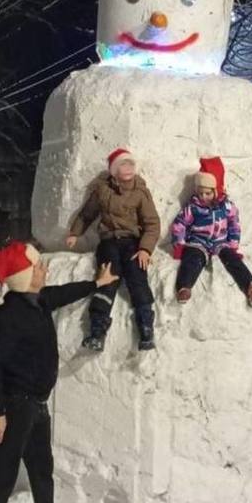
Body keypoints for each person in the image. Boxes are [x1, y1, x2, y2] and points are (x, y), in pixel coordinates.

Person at [0, 240, 119, 503]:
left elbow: (62, 292)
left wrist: (97, 284)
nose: (44, 269)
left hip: (36, 405)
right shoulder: (7, 316)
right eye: (37, 267)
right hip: (14, 406)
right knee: (3, 476)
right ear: (23, 275)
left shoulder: (38, 301)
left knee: (41, 472)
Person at [66, 148, 160, 352]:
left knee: (137, 275)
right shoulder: (102, 190)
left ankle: (146, 326)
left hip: (132, 242)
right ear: (114, 170)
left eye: (130, 165)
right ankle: (97, 329)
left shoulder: (140, 192)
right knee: (107, 277)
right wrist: (75, 233)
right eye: (122, 165)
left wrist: (145, 249)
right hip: (109, 241)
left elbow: (152, 223)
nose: (127, 169)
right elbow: (87, 214)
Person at [171, 157, 252, 308]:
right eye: (200, 193)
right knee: (192, 259)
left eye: (207, 194)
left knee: (234, 261)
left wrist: (233, 246)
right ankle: (184, 287)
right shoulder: (193, 207)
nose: (203, 197)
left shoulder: (227, 207)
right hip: (198, 242)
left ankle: (251, 290)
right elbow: (179, 224)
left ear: (216, 191)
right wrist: (179, 245)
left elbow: (234, 225)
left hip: (220, 243)